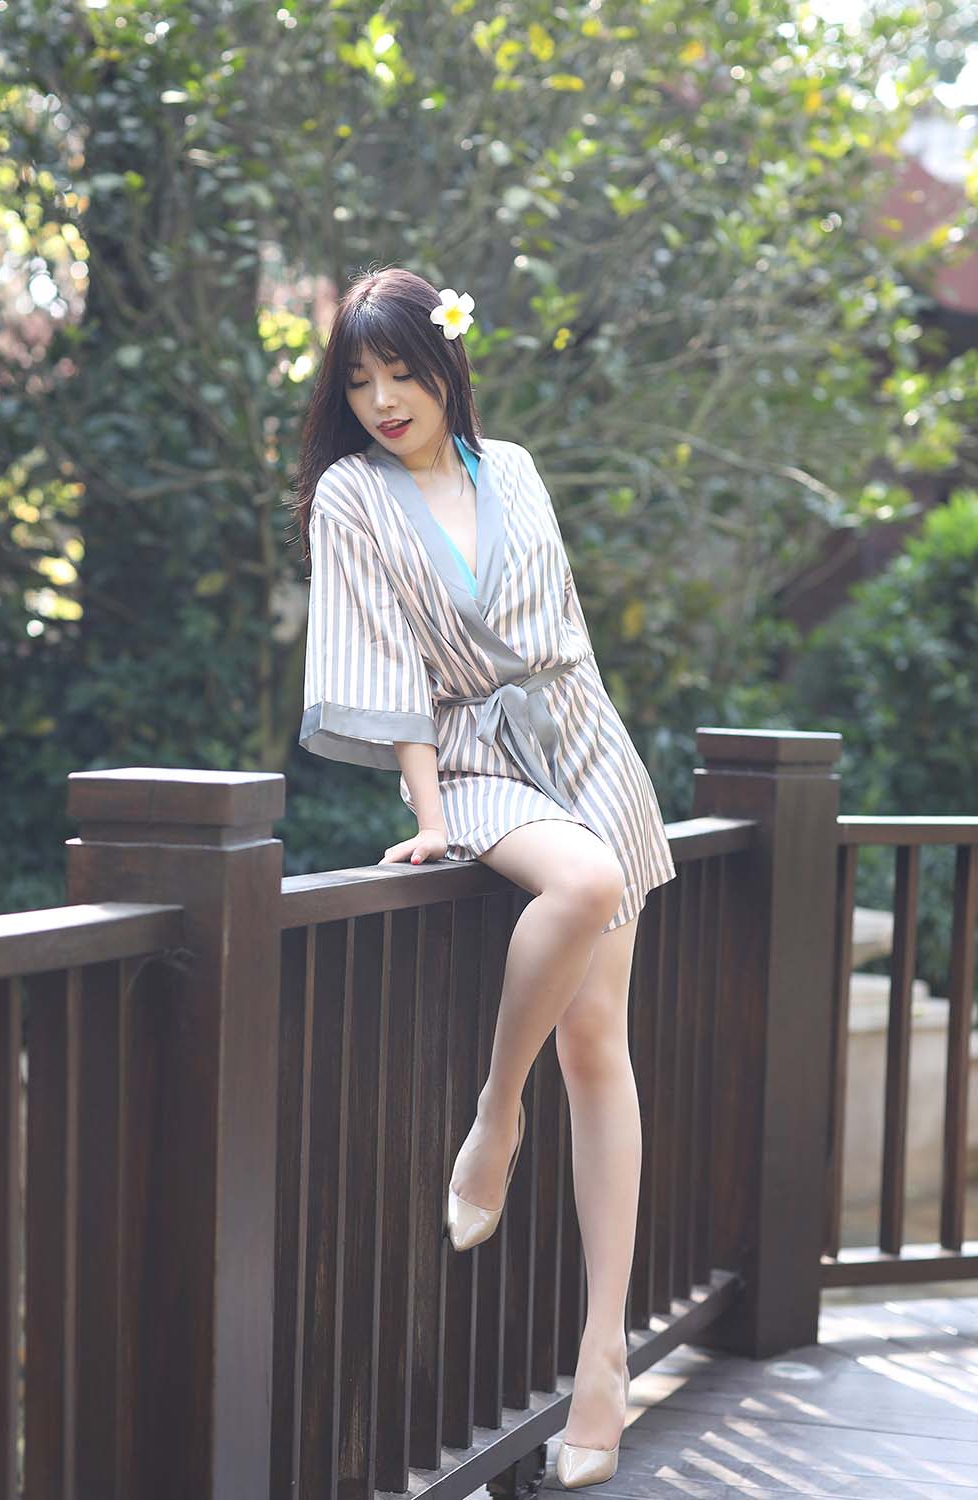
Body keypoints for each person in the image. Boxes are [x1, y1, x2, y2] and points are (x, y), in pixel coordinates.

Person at [289, 264, 677, 1489]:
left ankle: (602, 1363)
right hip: (472, 761)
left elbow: (565, 636)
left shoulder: (511, 469)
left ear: (447, 368)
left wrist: (594, 758)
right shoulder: (350, 496)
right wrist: (429, 814)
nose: (382, 400)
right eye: (360, 380)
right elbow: (385, 664)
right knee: (580, 885)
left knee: (600, 1046)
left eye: (402, 372)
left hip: (586, 745)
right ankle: (496, 1116)